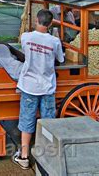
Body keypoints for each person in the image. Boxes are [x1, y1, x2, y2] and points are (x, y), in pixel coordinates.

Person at [12, 9, 64, 170]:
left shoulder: (26, 37)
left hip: (29, 86)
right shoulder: (54, 41)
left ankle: (24, 157)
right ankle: (47, 155)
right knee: (48, 121)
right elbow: (60, 60)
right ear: (50, 24)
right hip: (47, 87)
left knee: (27, 120)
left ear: (36, 20)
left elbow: (24, 51)